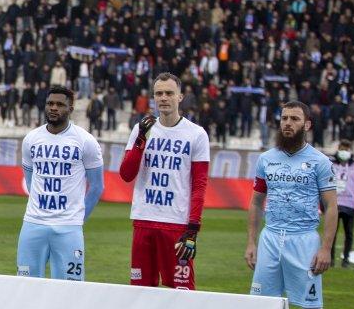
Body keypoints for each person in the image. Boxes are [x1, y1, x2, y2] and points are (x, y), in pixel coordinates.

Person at [245, 101, 338, 309]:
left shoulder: (320, 162)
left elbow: (332, 206)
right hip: (271, 238)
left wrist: (325, 248)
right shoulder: (266, 159)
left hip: (303, 241)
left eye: (294, 119)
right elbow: (257, 202)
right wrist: (251, 241)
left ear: (307, 124)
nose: (287, 123)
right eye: (284, 118)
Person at [118, 73, 210, 290]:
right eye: (159, 93)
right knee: (140, 291)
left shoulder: (196, 134)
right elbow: (126, 174)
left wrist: (193, 228)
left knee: (181, 292)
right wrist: (141, 139)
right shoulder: (142, 129)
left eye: (169, 93)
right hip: (143, 219)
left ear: (180, 97)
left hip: (176, 225)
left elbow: (199, 184)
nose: (163, 98)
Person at [16, 85, 104, 281]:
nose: (53, 108)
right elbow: (30, 181)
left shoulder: (85, 141)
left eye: (59, 104)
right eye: (50, 103)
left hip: (69, 227)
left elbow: (97, 186)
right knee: (24, 286)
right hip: (33, 223)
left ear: (70, 109)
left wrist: (79, 219)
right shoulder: (31, 139)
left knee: (70, 291)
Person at [330, 139, 354, 268]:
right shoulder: (330, 164)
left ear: (350, 151)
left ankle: (346, 259)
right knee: (332, 232)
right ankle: (331, 258)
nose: (344, 151)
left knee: (349, 234)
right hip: (334, 204)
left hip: (350, 204)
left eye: (347, 149)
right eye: (342, 148)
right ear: (338, 149)